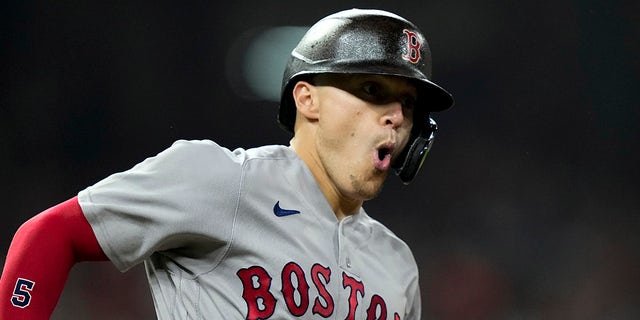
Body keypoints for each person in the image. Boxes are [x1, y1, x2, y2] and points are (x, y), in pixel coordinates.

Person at [0, 8, 453, 319]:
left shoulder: (397, 266)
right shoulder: (224, 180)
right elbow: (51, 234)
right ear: (307, 98)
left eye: (408, 104)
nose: (395, 116)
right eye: (372, 90)